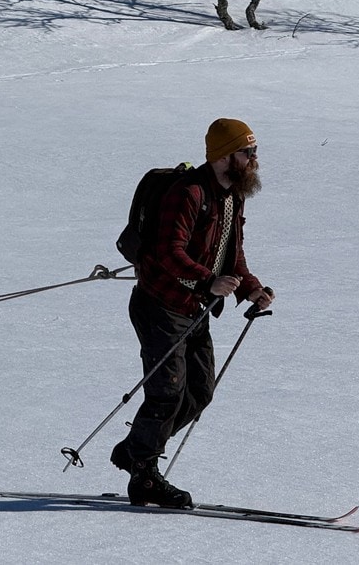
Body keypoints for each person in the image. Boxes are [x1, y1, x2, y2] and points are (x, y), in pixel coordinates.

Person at [110, 118, 275, 509]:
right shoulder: (189, 193)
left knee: (199, 392)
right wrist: (207, 282)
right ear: (223, 155)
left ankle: (136, 450)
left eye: (254, 151)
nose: (253, 159)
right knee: (167, 393)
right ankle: (144, 476)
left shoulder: (233, 196)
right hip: (159, 306)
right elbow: (169, 252)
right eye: (246, 152)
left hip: (193, 308)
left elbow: (232, 256)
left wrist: (251, 288)